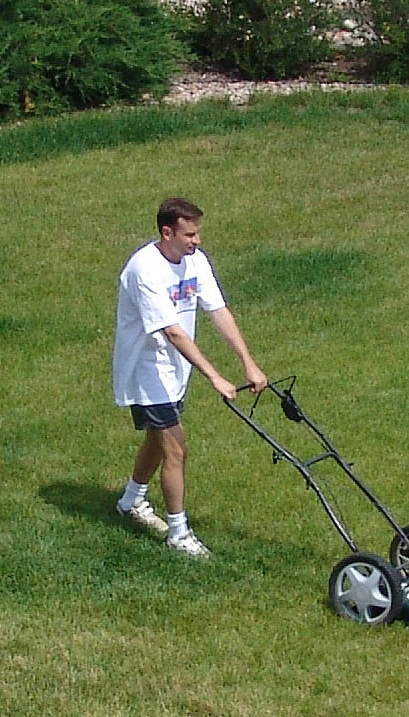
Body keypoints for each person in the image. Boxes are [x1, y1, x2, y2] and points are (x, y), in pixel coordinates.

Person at [112, 197, 268, 557]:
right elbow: (173, 332)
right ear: (167, 232)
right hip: (147, 369)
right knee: (176, 448)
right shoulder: (144, 270)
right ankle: (178, 533)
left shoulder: (194, 261)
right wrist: (215, 377)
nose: (197, 241)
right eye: (190, 234)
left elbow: (218, 310)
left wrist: (248, 363)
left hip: (174, 369)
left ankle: (130, 501)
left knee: (158, 438)